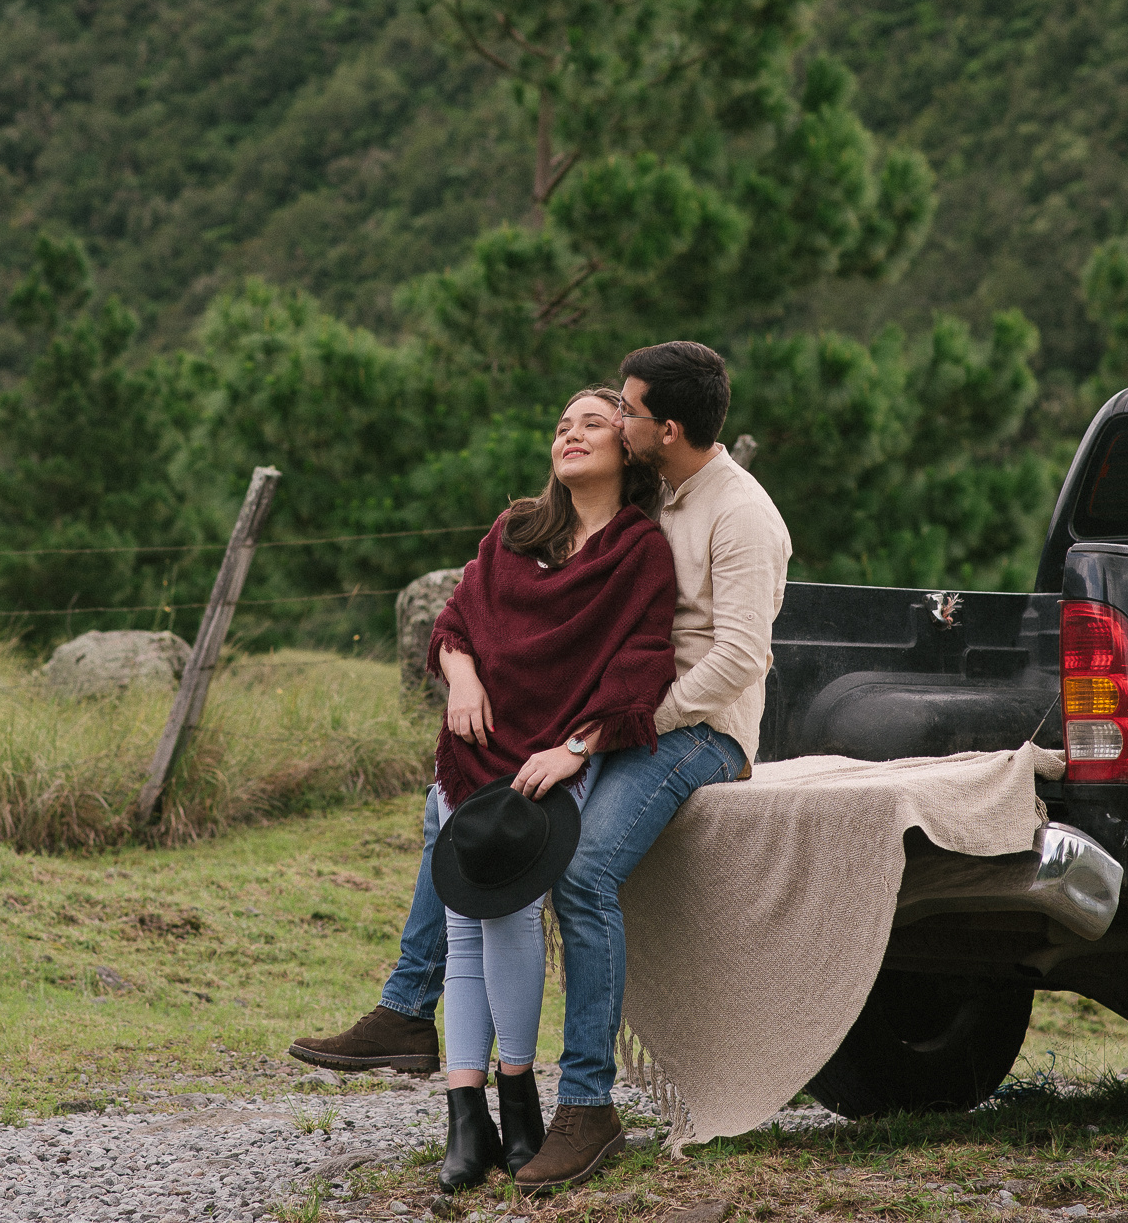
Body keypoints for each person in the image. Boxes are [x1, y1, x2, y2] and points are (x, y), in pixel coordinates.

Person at [291, 343, 792, 1194]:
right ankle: (412, 1011)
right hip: (621, 711)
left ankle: (587, 1104)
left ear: (662, 430)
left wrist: (610, 729)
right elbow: (510, 616)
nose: (613, 422)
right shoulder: (656, 494)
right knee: (453, 803)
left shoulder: (739, 516)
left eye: (623, 411)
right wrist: (490, 686)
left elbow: (739, 658)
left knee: (584, 868)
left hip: (697, 727)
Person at [419, 387, 676, 1190]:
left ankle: (519, 1096)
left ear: (627, 449)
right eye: (562, 425)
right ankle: (467, 1120)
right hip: (470, 759)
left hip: (546, 766)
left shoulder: (639, 552)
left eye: (592, 423)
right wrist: (460, 681)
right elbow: (455, 623)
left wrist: (576, 746)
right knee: (465, 930)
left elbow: (642, 666)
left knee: (514, 922)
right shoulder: (517, 530)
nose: (570, 434)